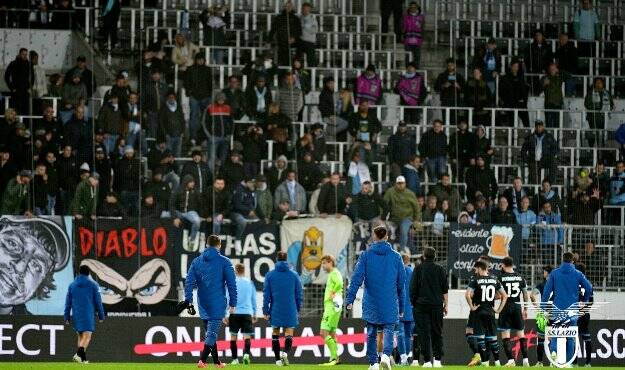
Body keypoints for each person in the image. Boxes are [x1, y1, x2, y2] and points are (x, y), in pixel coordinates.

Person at [345, 225, 406, 370]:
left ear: (374, 236)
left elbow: (356, 279)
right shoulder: (397, 257)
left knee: (371, 332)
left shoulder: (365, 256)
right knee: (389, 330)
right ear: (386, 237)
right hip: (389, 301)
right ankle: (385, 355)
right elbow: (401, 284)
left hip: (371, 301)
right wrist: (402, 306)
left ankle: (373, 363)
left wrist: (350, 299)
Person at [182, 234, 237, 369]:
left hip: (202, 302)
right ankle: (202, 360)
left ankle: (217, 362)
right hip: (217, 302)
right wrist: (233, 302)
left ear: (206, 245)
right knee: (212, 333)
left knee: (210, 333)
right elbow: (231, 284)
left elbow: (188, 283)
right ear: (219, 245)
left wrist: (188, 300)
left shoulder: (196, 261)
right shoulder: (225, 262)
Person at [541, 252, 592, 363]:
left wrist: (543, 307)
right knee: (570, 338)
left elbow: (546, 292)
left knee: (555, 335)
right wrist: (584, 300)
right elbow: (589, 287)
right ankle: (568, 363)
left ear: (562, 260)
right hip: (572, 311)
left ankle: (554, 357)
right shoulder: (578, 274)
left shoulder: (554, 273)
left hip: (557, 309)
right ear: (572, 261)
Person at [263, 251, 304, 366]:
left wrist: (265, 310)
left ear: (276, 259)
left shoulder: (270, 275)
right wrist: (298, 309)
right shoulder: (294, 275)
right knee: (289, 332)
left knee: (275, 332)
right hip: (290, 308)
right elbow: (299, 294)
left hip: (276, 308)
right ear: (286, 259)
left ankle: (277, 360)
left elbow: (267, 295)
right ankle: (285, 353)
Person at [465, 260, 508, 367]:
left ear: (480, 268)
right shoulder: (495, 280)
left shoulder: (476, 280)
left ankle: (485, 363)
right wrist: (499, 309)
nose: (476, 271)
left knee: (480, 338)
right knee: (492, 338)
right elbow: (504, 295)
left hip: (479, 312)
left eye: (476, 269)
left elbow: (467, 294)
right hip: (490, 311)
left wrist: (472, 306)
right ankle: (498, 363)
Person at [410, 247, 447, 367]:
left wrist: (413, 303)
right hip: (436, 305)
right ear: (435, 256)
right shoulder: (440, 269)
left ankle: (426, 361)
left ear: (423, 256)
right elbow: (445, 289)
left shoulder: (418, 269)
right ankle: (437, 360)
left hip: (420, 306)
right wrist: (446, 304)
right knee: (437, 332)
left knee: (423, 333)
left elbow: (412, 288)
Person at [64, 265, 105, 364]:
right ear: (89, 273)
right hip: (88, 313)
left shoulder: (72, 285)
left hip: (76, 314)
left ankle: (83, 359)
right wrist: (101, 315)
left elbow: (68, 302)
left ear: (78, 273)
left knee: (81, 336)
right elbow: (98, 302)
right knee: (87, 336)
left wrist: (66, 316)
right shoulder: (93, 285)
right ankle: (78, 354)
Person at [497, 257, 530, 367]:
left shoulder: (500, 278)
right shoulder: (521, 277)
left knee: (505, 335)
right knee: (521, 334)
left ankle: (511, 360)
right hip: (517, 307)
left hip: (505, 307)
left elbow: (498, 295)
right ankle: (526, 360)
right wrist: (525, 309)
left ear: (503, 265)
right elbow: (525, 294)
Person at [226, 263, 257, 365]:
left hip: (234, 313)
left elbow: (227, 299)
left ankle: (234, 359)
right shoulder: (250, 283)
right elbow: (253, 300)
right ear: (244, 271)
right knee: (247, 336)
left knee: (233, 337)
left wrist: (224, 314)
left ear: (235, 271)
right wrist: (255, 313)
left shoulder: (231, 283)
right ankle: (246, 355)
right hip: (247, 313)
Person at [384, 175, 421, 253]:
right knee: (383, 229)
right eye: (399, 183)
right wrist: (382, 217)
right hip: (393, 218)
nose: (400, 185)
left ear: (405, 184)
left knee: (404, 230)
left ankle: (401, 250)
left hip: (407, 218)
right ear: (395, 183)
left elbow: (416, 207)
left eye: (402, 183)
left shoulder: (410, 193)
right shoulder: (390, 192)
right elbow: (384, 204)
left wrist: (416, 220)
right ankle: (384, 251)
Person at [319, 255, 344, 366]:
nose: (323, 266)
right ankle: (335, 358)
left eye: (324, 263)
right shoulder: (334, 273)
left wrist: (332, 293)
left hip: (332, 306)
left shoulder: (334, 273)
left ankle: (334, 358)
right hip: (335, 306)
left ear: (330, 262)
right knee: (332, 333)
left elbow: (340, 283)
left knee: (323, 332)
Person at [184, 53, 213, 141]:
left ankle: (206, 136)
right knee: (193, 117)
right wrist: (189, 92)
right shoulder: (190, 69)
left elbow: (210, 83)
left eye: (202, 59)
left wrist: (209, 95)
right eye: (199, 59)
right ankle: (193, 137)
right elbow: (186, 82)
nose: (200, 61)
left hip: (205, 96)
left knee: (206, 117)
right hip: (194, 97)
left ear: (204, 60)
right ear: (196, 60)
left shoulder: (208, 70)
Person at [520, 120, 559, 184]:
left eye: (540, 126)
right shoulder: (530, 137)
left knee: (554, 162)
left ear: (543, 127)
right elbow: (523, 151)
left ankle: (547, 182)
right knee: (534, 177)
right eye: (537, 126)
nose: (538, 128)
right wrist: (527, 160)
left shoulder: (549, 136)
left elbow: (556, 148)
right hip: (533, 160)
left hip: (545, 159)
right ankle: (536, 190)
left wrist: (550, 155)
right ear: (535, 127)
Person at [530, 264, 554, 366]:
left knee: (540, 339)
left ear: (547, 273)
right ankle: (554, 362)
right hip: (554, 313)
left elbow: (532, 295)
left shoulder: (542, 284)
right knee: (553, 338)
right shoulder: (557, 284)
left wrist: (536, 306)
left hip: (543, 313)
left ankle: (539, 362)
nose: (543, 273)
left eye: (544, 272)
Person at [269, 1, 301, 66]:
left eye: (290, 6)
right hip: (282, 41)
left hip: (293, 40)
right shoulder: (279, 18)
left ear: (292, 8)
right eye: (287, 6)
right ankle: (285, 66)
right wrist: (268, 41)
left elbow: (299, 31)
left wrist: (294, 38)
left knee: (301, 44)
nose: (288, 8)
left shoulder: (296, 18)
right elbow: (273, 30)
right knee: (283, 50)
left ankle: (296, 62)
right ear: (284, 7)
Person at [584, 77, 614, 148]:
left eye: (600, 83)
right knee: (593, 137)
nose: (598, 84)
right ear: (594, 84)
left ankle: (601, 152)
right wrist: (596, 108)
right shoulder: (591, 93)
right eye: (597, 82)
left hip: (603, 119)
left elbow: (611, 105)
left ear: (603, 84)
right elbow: (587, 104)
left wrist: (607, 108)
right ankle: (591, 152)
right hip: (592, 118)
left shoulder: (607, 93)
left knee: (602, 137)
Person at [574, 262, 594, 367]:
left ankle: (574, 363)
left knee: (574, 337)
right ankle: (588, 363)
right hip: (585, 314)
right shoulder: (589, 284)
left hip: (575, 314)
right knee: (586, 337)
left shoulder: (574, 282)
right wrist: (585, 310)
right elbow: (591, 301)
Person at [499, 59, 529, 127]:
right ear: (511, 67)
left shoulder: (521, 78)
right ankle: (511, 137)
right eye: (514, 66)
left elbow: (524, 91)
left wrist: (524, 101)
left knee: (526, 122)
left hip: (521, 104)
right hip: (510, 104)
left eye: (517, 66)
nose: (516, 68)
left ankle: (528, 137)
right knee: (511, 123)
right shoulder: (505, 78)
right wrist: (506, 102)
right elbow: (502, 92)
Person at [435, 58, 464, 124]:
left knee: (454, 120)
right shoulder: (441, 76)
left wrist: (458, 86)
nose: (450, 67)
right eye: (449, 65)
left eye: (452, 65)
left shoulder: (459, 76)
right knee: (445, 119)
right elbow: (436, 88)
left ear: (454, 65)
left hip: (455, 101)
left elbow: (464, 89)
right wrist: (443, 86)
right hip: (445, 100)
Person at [418, 119, 448, 183]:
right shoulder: (426, 135)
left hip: (441, 157)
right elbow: (421, 147)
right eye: (435, 126)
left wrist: (445, 155)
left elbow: (445, 147)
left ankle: (441, 187)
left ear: (441, 127)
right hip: (430, 157)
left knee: (442, 172)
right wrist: (424, 156)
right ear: (433, 126)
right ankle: (434, 189)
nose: (437, 128)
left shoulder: (443, 135)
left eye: (439, 126)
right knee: (432, 174)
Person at [4, 48, 32, 114]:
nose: (25, 56)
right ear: (19, 54)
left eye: (26, 54)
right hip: (16, 91)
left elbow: (32, 77)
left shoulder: (29, 64)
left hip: (25, 91)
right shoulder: (13, 63)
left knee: (25, 111)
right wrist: (11, 87)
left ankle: (24, 124)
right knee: (15, 111)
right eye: (23, 54)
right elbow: (6, 76)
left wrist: (29, 87)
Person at [541, 63, 565, 128]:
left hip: (558, 104)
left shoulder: (560, 77)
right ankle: (549, 137)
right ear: (549, 70)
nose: (553, 70)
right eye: (551, 69)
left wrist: (559, 71)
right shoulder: (545, 78)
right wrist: (544, 84)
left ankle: (556, 137)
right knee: (549, 124)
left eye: (554, 69)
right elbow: (539, 89)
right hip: (549, 104)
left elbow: (568, 76)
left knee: (557, 124)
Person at [401, 1, 425, 68]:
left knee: (417, 56)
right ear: (409, 8)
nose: (413, 9)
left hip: (417, 39)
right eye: (411, 7)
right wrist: (403, 35)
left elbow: (422, 28)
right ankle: (408, 69)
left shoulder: (421, 17)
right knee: (408, 56)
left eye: (415, 7)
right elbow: (403, 27)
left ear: (417, 8)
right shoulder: (406, 17)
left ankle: (416, 70)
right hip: (408, 39)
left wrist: (422, 38)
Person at [554, 32, 579, 97]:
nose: (562, 41)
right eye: (561, 39)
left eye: (563, 39)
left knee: (569, 80)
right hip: (562, 72)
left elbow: (574, 63)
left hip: (569, 72)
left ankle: (569, 95)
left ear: (567, 39)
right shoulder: (560, 50)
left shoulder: (572, 49)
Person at [297, 2, 318, 67]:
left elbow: (315, 30)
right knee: (298, 59)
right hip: (301, 41)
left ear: (309, 10)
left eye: (307, 10)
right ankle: (298, 73)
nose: (305, 11)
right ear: (301, 9)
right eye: (304, 9)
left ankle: (312, 75)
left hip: (310, 42)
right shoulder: (299, 18)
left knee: (311, 61)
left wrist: (305, 26)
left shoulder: (312, 19)